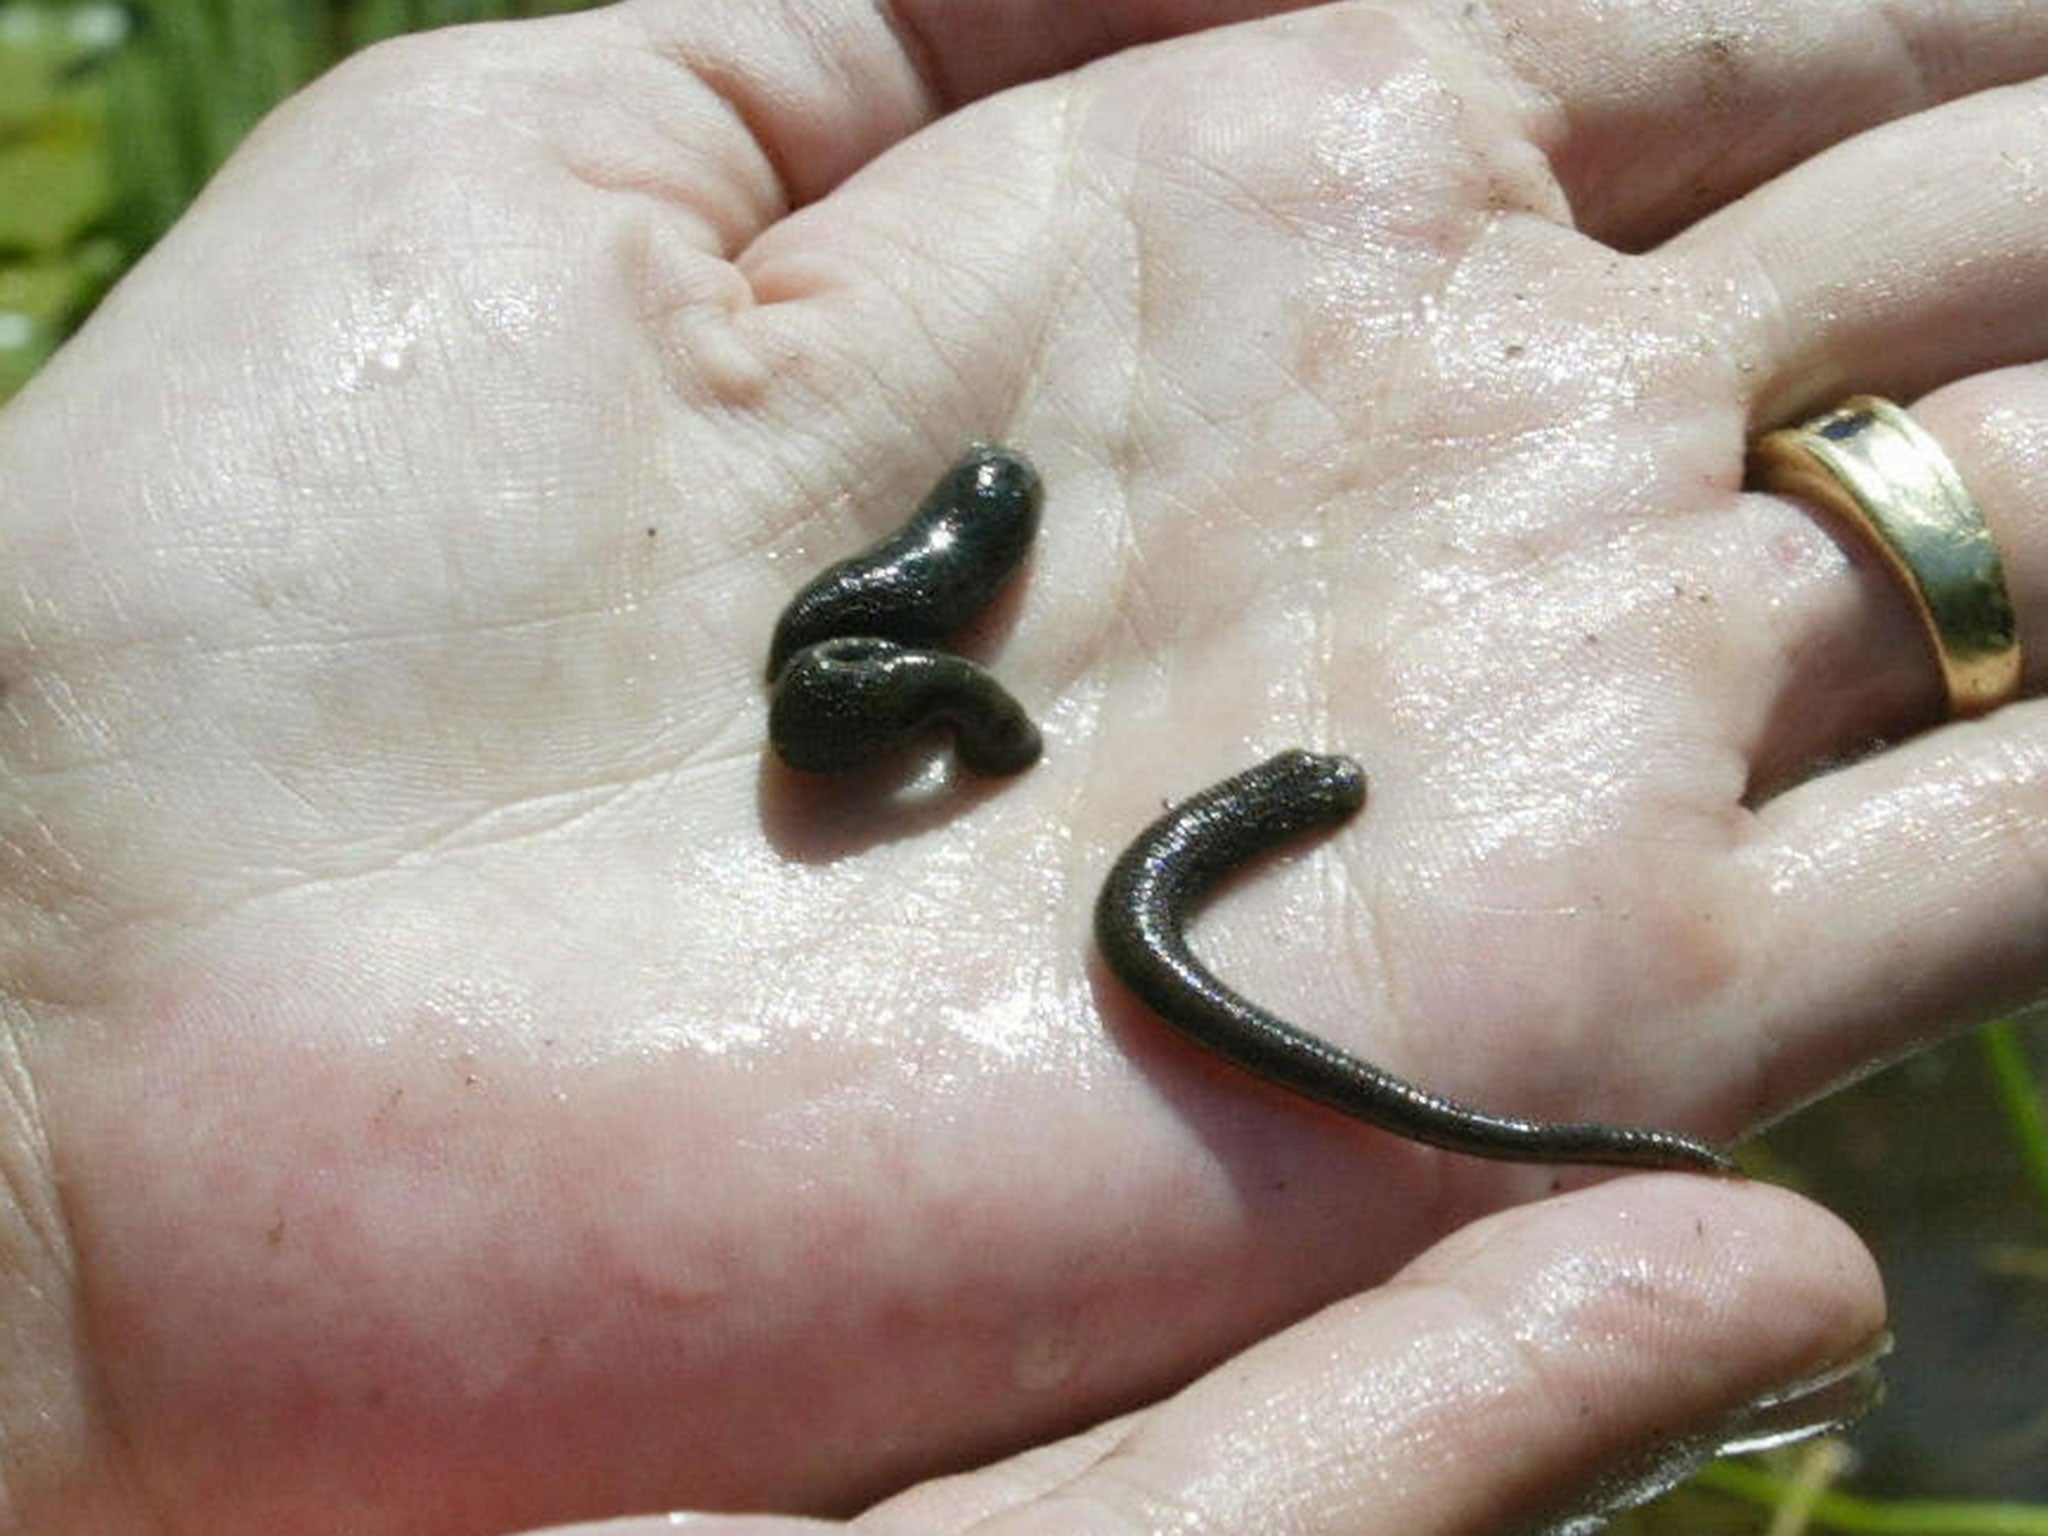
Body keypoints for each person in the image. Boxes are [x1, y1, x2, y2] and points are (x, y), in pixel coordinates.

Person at [1, 0, 2042, 1529]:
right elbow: (902, 684)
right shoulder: (872, 665)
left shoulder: (874, 656)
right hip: (950, 734)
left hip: (978, 750)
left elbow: (898, 676)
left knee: (956, 700)